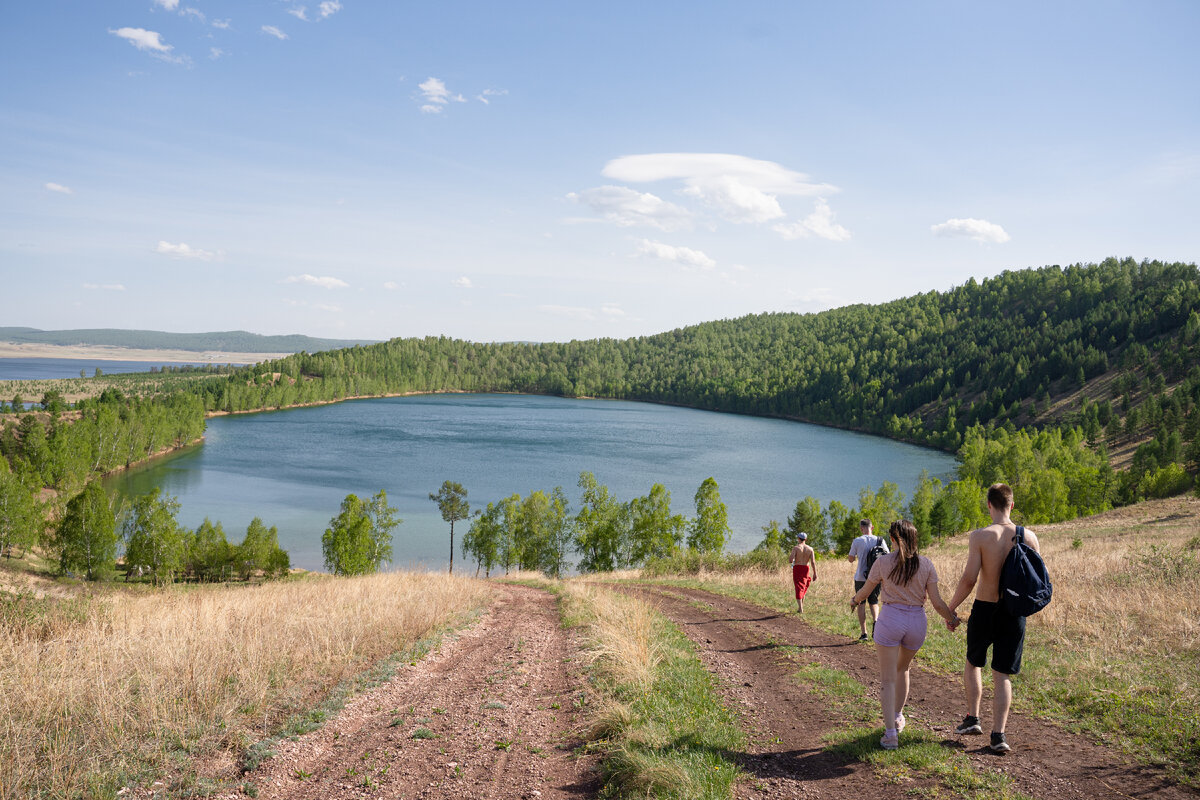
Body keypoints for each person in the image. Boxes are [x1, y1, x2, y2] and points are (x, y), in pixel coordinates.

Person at [946, 483, 1041, 754]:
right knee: (1002, 675)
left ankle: (972, 719)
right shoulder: (1030, 537)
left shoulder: (980, 537)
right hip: (1014, 613)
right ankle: (998, 735)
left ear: (989, 505)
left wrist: (951, 608)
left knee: (973, 662)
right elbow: (1036, 580)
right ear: (1011, 505)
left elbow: (968, 579)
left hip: (985, 608)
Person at [851, 519, 958, 750]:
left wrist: (855, 600)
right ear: (914, 538)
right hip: (916, 623)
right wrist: (952, 618)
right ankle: (898, 716)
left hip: (890, 620)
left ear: (892, 539)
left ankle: (890, 735)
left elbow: (866, 591)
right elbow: (938, 603)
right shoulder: (927, 565)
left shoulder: (882, 562)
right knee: (904, 669)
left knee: (887, 679)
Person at [847, 519, 888, 640]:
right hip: (876, 577)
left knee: (860, 603)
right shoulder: (880, 540)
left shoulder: (857, 541)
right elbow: (887, 556)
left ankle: (864, 633)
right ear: (872, 527)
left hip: (861, 577)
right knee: (874, 602)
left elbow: (851, 559)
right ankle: (876, 622)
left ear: (861, 528)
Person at [788, 531, 817, 613]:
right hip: (806, 568)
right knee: (803, 586)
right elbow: (813, 562)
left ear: (798, 538)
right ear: (806, 539)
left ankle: (801, 608)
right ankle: (800, 606)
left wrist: (793, 559)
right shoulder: (810, 549)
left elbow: (790, 560)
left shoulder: (796, 548)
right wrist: (815, 573)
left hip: (797, 568)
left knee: (798, 587)